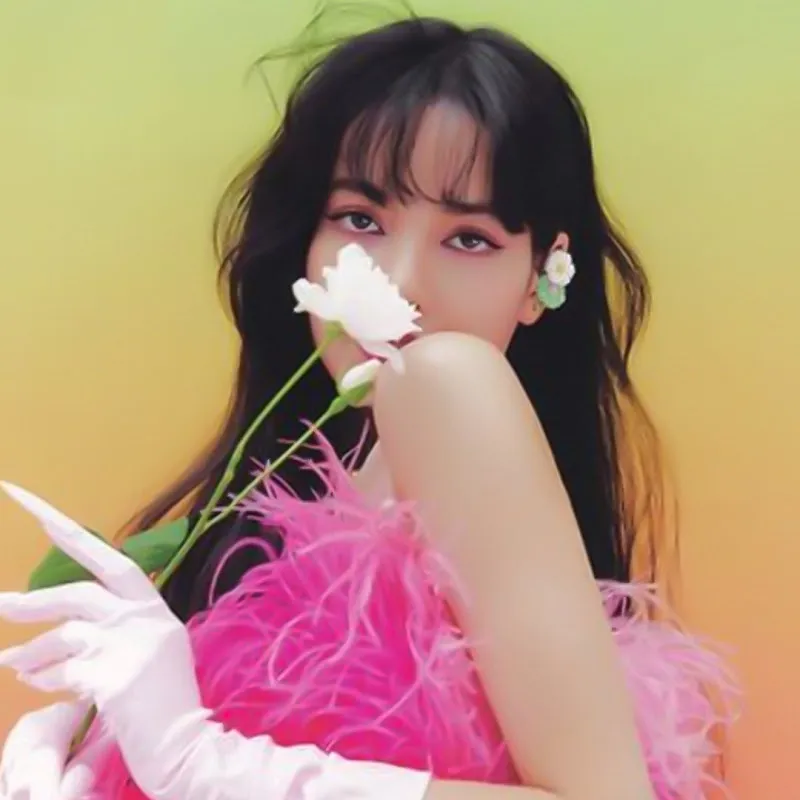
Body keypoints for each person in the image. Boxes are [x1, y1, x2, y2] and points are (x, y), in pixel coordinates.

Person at [0, 11, 738, 800]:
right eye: (360, 220)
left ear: (541, 280)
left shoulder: (447, 383)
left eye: (470, 238)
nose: (402, 281)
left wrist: (205, 765)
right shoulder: (305, 492)